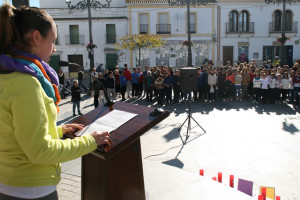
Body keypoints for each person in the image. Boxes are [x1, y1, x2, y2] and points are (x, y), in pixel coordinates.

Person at [0, 4, 110, 200]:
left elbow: (14, 132)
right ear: (36, 37)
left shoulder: (7, 74)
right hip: (32, 190)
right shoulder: (27, 83)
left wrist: (58, 131)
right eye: (52, 41)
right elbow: (40, 151)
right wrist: (91, 141)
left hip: (10, 183)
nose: (54, 48)